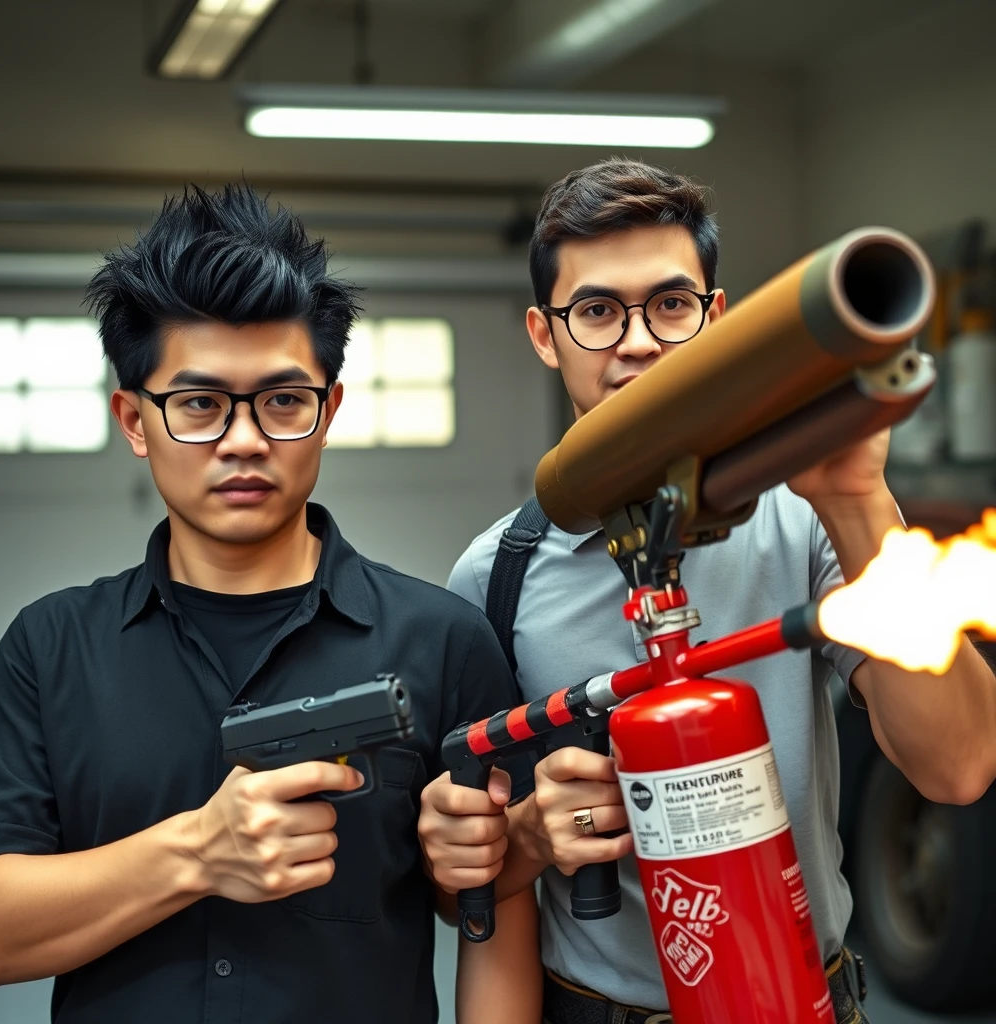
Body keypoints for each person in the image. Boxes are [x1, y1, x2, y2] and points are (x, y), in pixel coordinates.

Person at [418, 159, 996, 1024]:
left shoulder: (801, 520)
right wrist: (531, 837)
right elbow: (467, 887)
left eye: (671, 305)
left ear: (715, 318)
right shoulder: (493, 576)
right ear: (545, 335)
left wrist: (856, 499)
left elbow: (957, 767)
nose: (639, 341)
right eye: (598, 311)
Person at [0, 184, 540, 1024]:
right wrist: (199, 851)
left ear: (328, 410)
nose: (244, 439)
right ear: (134, 419)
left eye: (282, 401)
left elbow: (494, 906)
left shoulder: (443, 641)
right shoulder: (50, 647)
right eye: (199, 404)